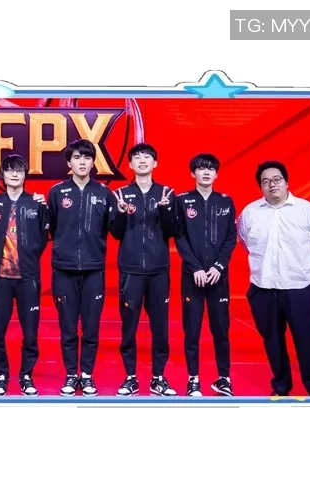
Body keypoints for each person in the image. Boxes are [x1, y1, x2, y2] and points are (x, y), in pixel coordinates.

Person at [237, 161, 310, 396]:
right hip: (263, 288)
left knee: (307, 340)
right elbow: (245, 242)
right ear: (261, 186)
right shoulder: (250, 213)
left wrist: (298, 264)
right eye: (265, 182)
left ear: (286, 182)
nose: (272, 185)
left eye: (276, 180)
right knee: (272, 342)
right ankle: (281, 387)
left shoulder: (308, 210)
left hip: (301, 287)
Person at [47, 139, 116, 397]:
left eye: (87, 157)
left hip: (93, 270)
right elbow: (53, 227)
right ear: (69, 162)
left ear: (93, 162)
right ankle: (70, 374)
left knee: (90, 328)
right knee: (67, 327)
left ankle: (86, 375)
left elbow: (111, 229)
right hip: (64, 270)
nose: (82, 162)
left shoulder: (105, 193)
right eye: (77, 157)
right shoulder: (57, 192)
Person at [110, 143, 179, 397]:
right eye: (137, 157)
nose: (142, 160)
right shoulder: (120, 194)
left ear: (155, 163)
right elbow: (115, 233)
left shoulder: (166, 193)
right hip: (130, 271)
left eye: (147, 157)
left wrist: (165, 210)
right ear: (130, 164)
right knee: (129, 327)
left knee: (160, 327)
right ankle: (130, 377)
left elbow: (172, 231)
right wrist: (120, 214)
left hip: (158, 270)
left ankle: (158, 378)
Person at [0, 154, 50, 396]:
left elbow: (43, 238)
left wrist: (28, 257)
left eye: (19, 170)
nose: (14, 174)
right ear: (2, 175)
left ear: (25, 175)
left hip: (28, 279)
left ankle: (26, 375)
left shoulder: (37, 204)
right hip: (0, 279)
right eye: (9, 170)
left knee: (30, 333)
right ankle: (1, 375)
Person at [174, 153, 237, 397]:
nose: (206, 172)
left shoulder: (226, 201)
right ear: (193, 173)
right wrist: (196, 268)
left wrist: (218, 267)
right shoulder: (182, 201)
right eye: (201, 168)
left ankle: (224, 379)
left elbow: (230, 238)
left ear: (216, 174)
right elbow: (180, 237)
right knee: (192, 331)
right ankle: (193, 380)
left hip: (218, 278)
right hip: (193, 278)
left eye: (211, 169)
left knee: (221, 329)